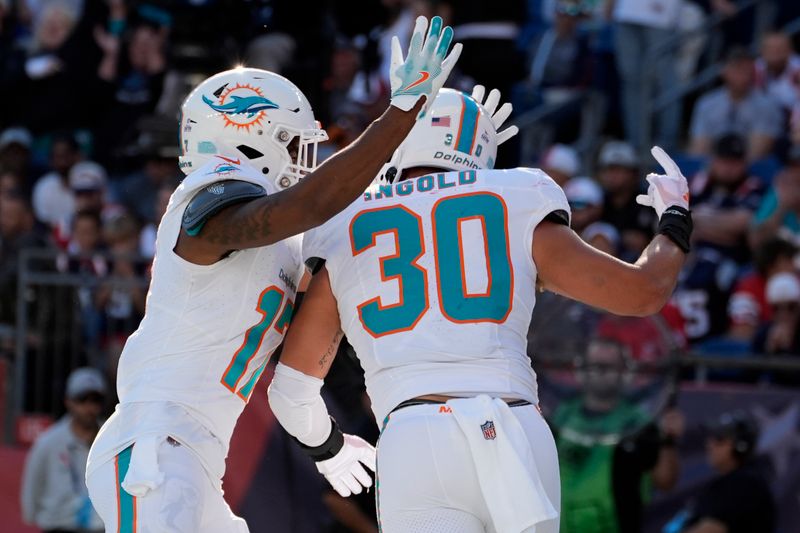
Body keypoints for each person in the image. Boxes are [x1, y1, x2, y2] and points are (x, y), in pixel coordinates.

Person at [84, 16, 461, 533]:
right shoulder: (209, 196)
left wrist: (454, 164)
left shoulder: (282, 245)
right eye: (294, 143)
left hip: (193, 456)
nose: (304, 160)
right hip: (153, 444)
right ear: (255, 136)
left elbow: (345, 255)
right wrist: (396, 118)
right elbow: (313, 202)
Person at [266, 85, 693, 532]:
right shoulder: (517, 197)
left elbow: (291, 393)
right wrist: (675, 218)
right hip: (512, 428)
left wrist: (328, 449)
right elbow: (644, 291)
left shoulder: (345, 221)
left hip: (415, 437)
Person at [554, 338, 683, 533]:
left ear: (625, 373)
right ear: (581, 370)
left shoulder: (639, 424)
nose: (601, 372)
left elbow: (666, 481)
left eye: (610, 366)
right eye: (595, 365)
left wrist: (669, 439)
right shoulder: (559, 418)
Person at [20, 367, 107, 533]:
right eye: (82, 399)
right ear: (68, 401)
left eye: (95, 400)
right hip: (60, 527)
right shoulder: (48, 442)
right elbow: (32, 487)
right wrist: (34, 517)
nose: (89, 407)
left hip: (101, 528)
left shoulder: (113, 440)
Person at [664, 411, 775, 533]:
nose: (709, 444)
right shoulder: (729, 482)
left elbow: (711, 529)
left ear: (740, 446)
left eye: (719, 438)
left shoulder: (745, 484)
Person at [689, 47, 783, 161]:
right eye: (738, 69)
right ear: (724, 70)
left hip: (751, 171)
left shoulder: (767, 105)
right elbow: (698, 150)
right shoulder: (706, 103)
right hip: (713, 166)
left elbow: (757, 154)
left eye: (748, 70)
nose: (744, 75)